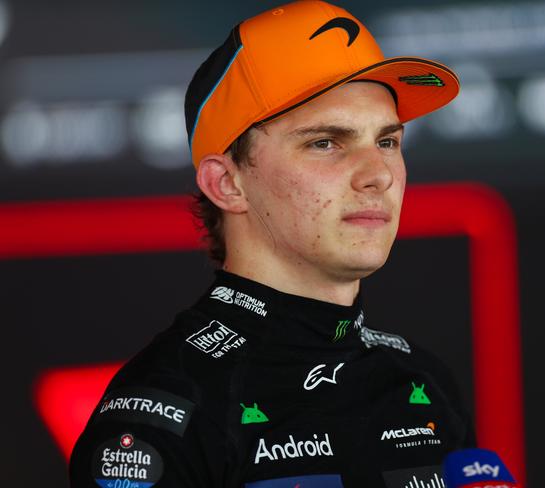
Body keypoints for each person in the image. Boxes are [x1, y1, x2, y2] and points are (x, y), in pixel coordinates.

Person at [69, 1, 474, 487]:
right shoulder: (164, 412)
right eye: (326, 142)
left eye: (387, 141)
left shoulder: (421, 380)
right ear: (227, 184)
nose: (379, 175)